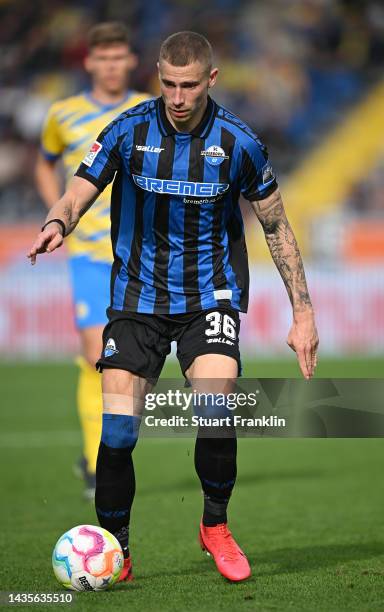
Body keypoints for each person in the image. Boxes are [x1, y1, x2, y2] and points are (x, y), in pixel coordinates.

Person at [28, 31, 319, 582]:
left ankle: (214, 526)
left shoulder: (240, 142)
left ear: (212, 80)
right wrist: (57, 221)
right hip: (137, 297)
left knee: (215, 405)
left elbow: (277, 226)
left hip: (209, 293)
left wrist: (302, 313)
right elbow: (77, 189)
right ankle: (117, 547)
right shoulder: (127, 129)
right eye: (168, 85)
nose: (178, 98)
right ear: (158, 77)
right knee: (117, 433)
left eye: (189, 86)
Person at [35, 22, 150, 499]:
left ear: (130, 61)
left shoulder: (150, 110)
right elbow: (45, 160)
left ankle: (110, 449)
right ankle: (95, 460)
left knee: (135, 365)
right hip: (87, 253)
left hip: (139, 254)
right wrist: (58, 212)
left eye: (118, 57)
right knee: (94, 355)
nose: (110, 65)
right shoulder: (63, 113)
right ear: (89, 62)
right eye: (102, 58)